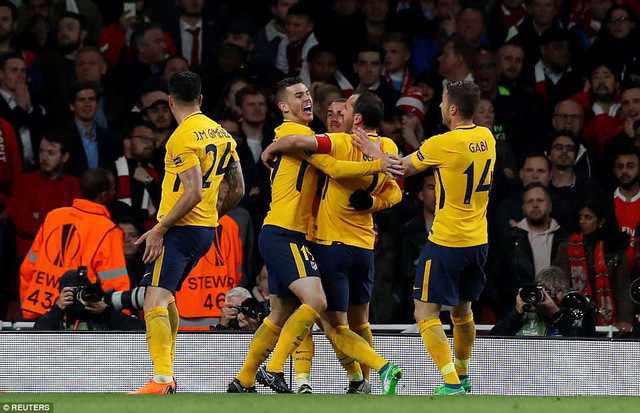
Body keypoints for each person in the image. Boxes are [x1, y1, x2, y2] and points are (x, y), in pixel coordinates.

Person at [228, 77, 402, 394]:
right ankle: (276, 369)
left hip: (297, 233)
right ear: (284, 106)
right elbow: (335, 169)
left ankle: (244, 379)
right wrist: (379, 164)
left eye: (308, 93)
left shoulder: (309, 137)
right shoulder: (296, 135)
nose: (307, 97)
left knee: (280, 313)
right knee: (318, 302)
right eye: (298, 95)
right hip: (286, 232)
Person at [355, 81, 494, 395]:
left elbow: (399, 169)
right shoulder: (487, 137)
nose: (440, 106)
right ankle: (462, 374)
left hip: (447, 240)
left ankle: (451, 383)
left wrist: (374, 152)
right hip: (478, 240)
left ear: (453, 109)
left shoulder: (443, 143)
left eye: (443, 102)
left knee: (425, 312)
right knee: (462, 312)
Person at [130, 71, 245, 394]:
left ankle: (161, 379)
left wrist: (159, 228)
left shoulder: (181, 137)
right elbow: (238, 188)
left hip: (179, 229)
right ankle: (166, 376)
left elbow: (192, 191)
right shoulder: (223, 134)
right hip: (205, 230)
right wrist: (213, 214)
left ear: (170, 101)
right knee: (165, 297)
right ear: (200, 99)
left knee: (153, 301)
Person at [19, 168, 131, 320]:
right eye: (113, 188)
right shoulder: (108, 230)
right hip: (76, 318)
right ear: (104, 195)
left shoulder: (54, 216)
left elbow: (28, 267)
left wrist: (28, 308)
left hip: (40, 310)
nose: (115, 192)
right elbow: (115, 284)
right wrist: (121, 321)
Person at [555, 198, 634, 334]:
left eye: (588, 217)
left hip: (610, 322)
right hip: (575, 320)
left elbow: (622, 288)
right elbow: (561, 285)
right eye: (580, 217)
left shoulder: (614, 248)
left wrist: (626, 318)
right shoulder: (567, 247)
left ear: (601, 221)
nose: (582, 222)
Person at [490, 183, 569, 317]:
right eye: (530, 201)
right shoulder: (508, 241)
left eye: (540, 200)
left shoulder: (566, 239)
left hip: (559, 313)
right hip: (519, 315)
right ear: (523, 208)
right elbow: (496, 283)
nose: (535, 205)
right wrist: (511, 313)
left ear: (550, 205)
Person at [5, 130, 81, 260]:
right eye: (41, 151)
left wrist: (40, 215)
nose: (44, 157)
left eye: (51, 153)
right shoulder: (23, 183)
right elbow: (24, 224)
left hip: (64, 259)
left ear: (65, 157)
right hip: (30, 259)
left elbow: (78, 225)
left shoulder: (74, 184)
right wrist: (59, 224)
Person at [490, 266, 596, 337]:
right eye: (544, 291)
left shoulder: (575, 311)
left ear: (565, 292)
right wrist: (517, 312)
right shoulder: (526, 313)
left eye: (555, 291)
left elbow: (584, 343)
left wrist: (555, 314)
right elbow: (493, 339)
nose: (549, 296)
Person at [33, 269, 145, 331]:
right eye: (73, 292)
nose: (79, 297)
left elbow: (141, 331)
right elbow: (37, 338)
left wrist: (107, 312)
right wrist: (57, 309)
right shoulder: (58, 318)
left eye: (83, 291)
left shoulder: (101, 313)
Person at [64, 82, 118, 177]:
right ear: (72, 106)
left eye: (91, 99)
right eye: (82, 100)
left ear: (97, 105)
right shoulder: (63, 136)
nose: (87, 104)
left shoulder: (109, 138)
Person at [611, 145, 640, 278]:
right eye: (620, 166)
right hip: (610, 278)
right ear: (614, 169)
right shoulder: (605, 202)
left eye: (630, 166)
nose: (624, 171)